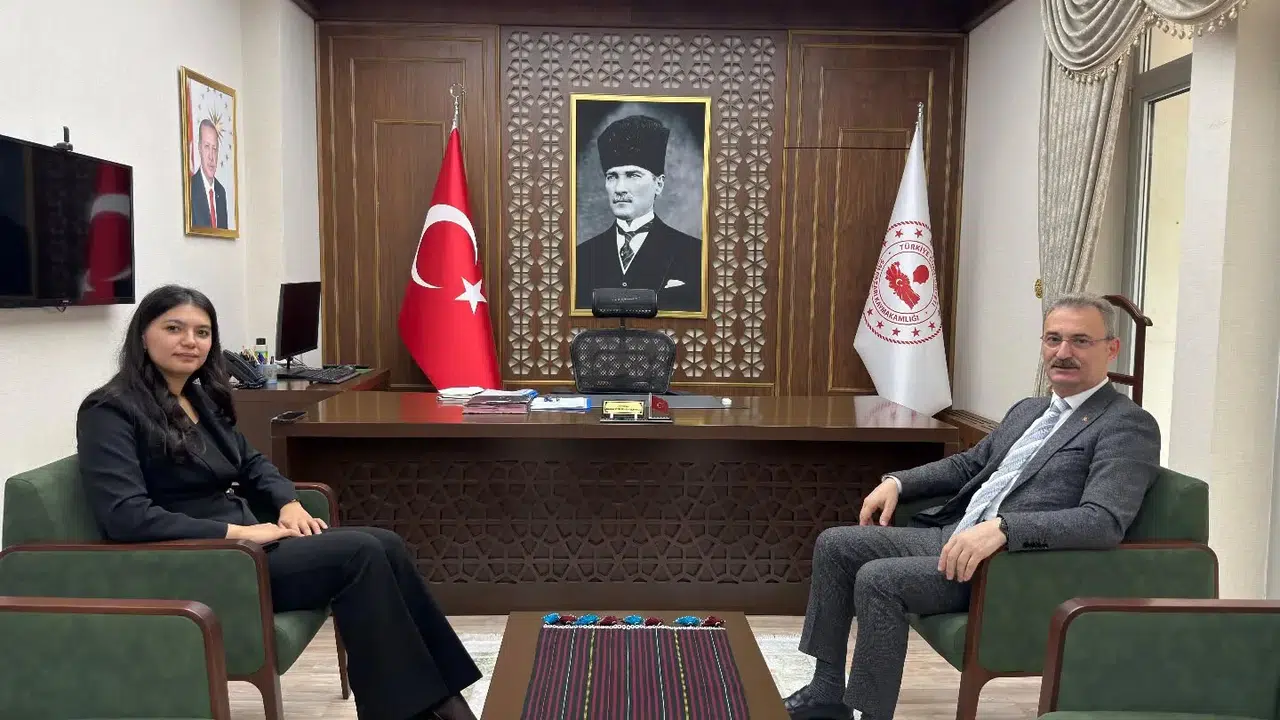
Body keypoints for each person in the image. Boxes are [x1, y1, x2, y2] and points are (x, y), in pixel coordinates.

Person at [76, 284, 480, 720]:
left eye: (202, 332)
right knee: (361, 554)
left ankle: (442, 701)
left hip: (246, 549)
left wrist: (288, 502)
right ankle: (422, 709)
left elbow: (251, 463)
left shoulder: (196, 397)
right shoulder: (109, 410)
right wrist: (240, 532)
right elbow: (126, 516)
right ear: (142, 335)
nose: (190, 341)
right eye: (174, 329)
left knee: (386, 543)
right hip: (197, 562)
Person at [785, 293, 1161, 720]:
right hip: (956, 536)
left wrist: (1004, 528)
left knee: (879, 579)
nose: (1063, 352)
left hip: (1007, 568)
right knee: (835, 544)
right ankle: (826, 693)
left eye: (1080, 341)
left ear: (1112, 348)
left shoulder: (1126, 424)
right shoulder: (1030, 410)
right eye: (1053, 339)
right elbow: (970, 464)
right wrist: (898, 482)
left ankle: (872, 715)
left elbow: (1103, 521)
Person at [574, 114, 702, 313]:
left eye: (633, 175)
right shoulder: (581, 256)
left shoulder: (694, 253)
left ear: (659, 184)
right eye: (612, 176)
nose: (620, 188)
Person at [189, 119, 229, 229]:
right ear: (199, 148)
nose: (211, 156)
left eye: (214, 149)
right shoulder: (190, 188)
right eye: (207, 146)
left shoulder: (221, 192)